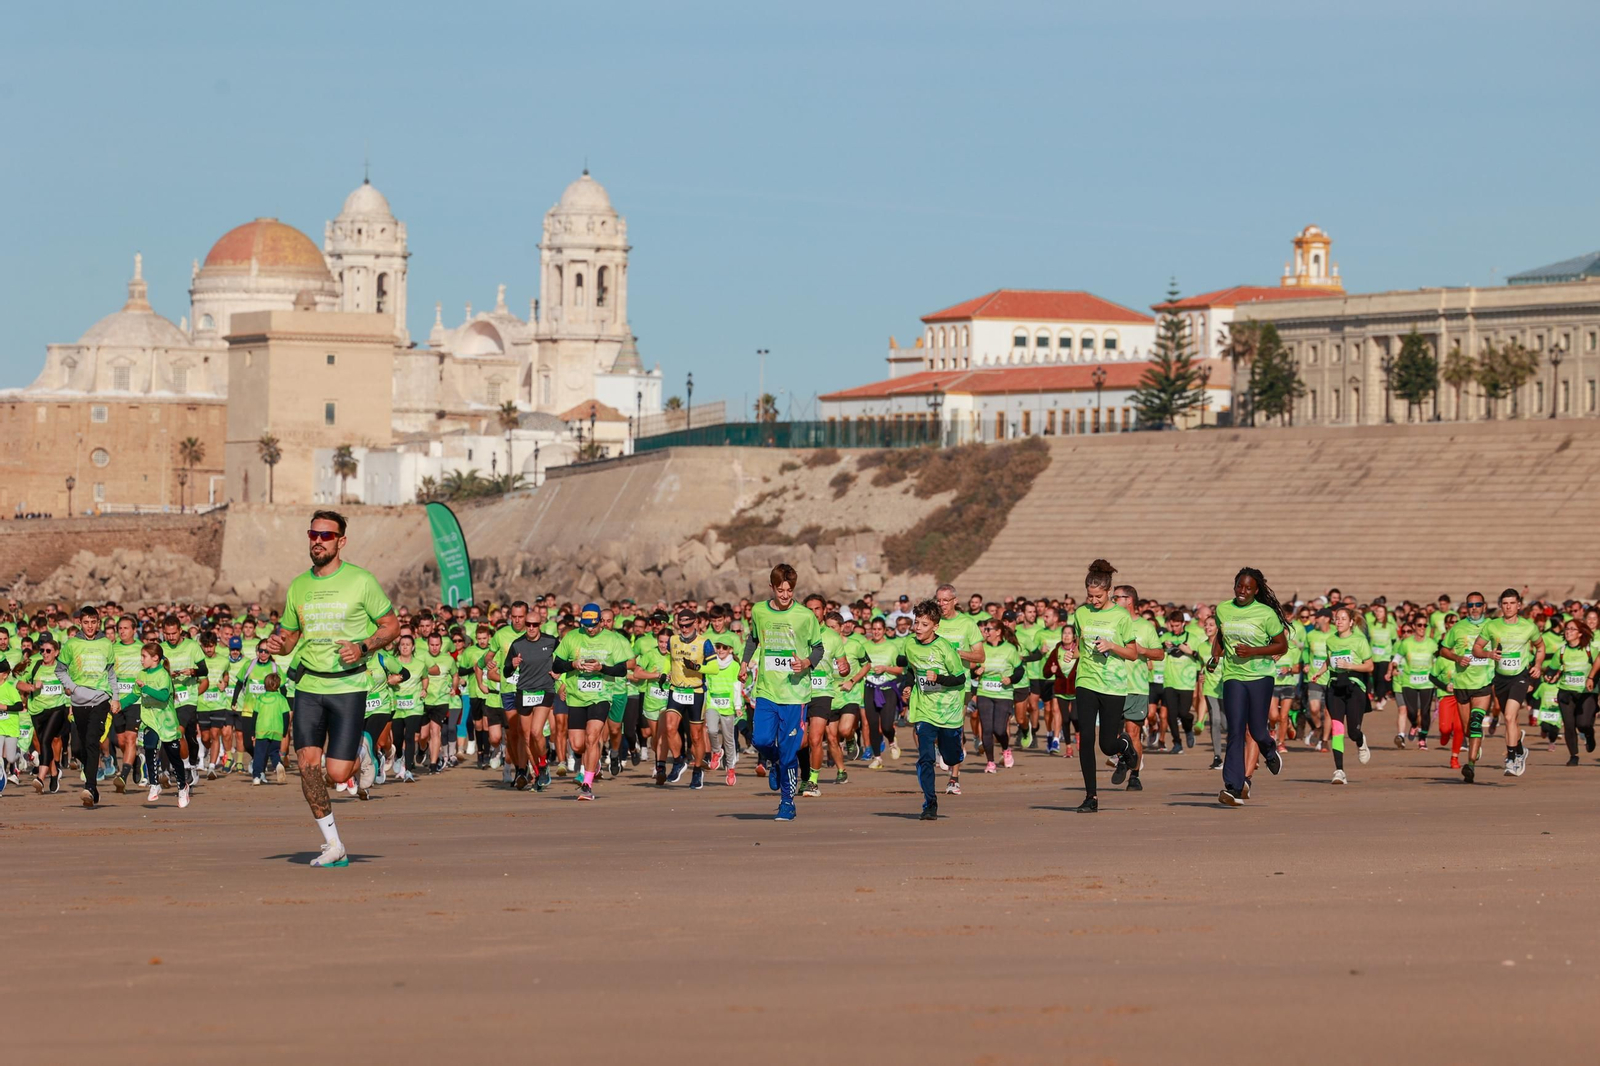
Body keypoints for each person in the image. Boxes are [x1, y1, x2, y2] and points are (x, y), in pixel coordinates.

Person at [261, 510, 400, 868]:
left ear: (341, 541)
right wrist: (278, 644)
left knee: (337, 774)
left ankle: (363, 749)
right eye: (313, 534)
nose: (318, 541)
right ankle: (333, 843)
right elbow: (289, 637)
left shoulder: (361, 581)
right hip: (308, 686)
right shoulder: (298, 586)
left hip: (348, 686)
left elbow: (391, 626)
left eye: (326, 535)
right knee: (308, 766)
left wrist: (363, 647)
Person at [740, 563, 826, 821]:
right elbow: (753, 639)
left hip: (795, 694)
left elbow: (818, 648)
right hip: (767, 690)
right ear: (772, 588)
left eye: (789, 590)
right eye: (780, 590)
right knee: (761, 740)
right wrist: (744, 663)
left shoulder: (805, 616)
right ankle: (775, 762)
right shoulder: (759, 611)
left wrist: (806, 662)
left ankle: (787, 802)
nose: (785, 595)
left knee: (790, 751)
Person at [1068, 560, 1140, 813]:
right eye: (1090, 596)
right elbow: (1081, 646)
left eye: (1098, 596)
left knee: (1107, 745)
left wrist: (1112, 646)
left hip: (1113, 686)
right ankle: (1091, 797)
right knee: (1086, 739)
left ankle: (1124, 746)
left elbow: (1133, 653)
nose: (1093, 600)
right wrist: (1072, 654)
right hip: (1086, 681)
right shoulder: (1081, 613)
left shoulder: (1121, 616)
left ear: (1109, 591)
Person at [1213, 568, 1289, 807]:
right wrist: (1215, 656)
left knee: (1256, 729)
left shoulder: (1265, 613)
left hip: (1260, 676)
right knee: (1235, 730)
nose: (1242, 591)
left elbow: (1282, 646)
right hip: (1233, 675)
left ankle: (1269, 749)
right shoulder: (1223, 609)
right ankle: (1233, 787)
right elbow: (1221, 635)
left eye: (1248, 588)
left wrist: (1253, 651)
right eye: (1239, 586)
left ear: (1256, 591)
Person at [552, 603, 633, 800]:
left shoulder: (612, 639)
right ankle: (593, 762)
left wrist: (601, 668)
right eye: (586, 625)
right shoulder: (572, 637)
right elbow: (556, 664)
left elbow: (622, 669)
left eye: (593, 625)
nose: (589, 629)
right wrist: (573, 664)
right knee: (578, 745)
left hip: (601, 696)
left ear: (600, 622)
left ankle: (587, 785)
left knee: (592, 738)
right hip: (576, 697)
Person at [903, 597, 967, 819]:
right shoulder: (909, 644)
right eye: (916, 623)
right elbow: (910, 670)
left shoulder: (945, 648)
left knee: (951, 757)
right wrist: (907, 686)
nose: (918, 628)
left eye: (924, 624)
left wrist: (939, 678)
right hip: (924, 710)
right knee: (926, 758)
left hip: (949, 712)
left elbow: (960, 679)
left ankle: (954, 753)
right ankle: (930, 803)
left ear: (935, 627)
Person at [1472, 588, 1542, 778]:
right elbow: (1476, 648)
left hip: (1520, 676)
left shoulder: (1529, 627)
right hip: (1500, 678)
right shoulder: (1492, 626)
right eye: (1505, 603)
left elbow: (1540, 647)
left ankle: (1512, 759)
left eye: (1512, 603)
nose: (1508, 607)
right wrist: (1488, 654)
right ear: (1501, 606)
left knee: (1510, 717)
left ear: (1519, 605)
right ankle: (1519, 749)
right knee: (1511, 720)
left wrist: (1537, 664)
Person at [1438, 593, 1495, 785]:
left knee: (1476, 723)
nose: (1474, 608)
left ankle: (1470, 765)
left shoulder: (1493, 626)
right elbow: (1443, 650)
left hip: (1483, 682)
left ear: (1484, 606)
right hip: (1462, 683)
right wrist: (1456, 658)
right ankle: (1475, 744)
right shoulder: (1458, 627)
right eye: (1471, 605)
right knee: (1467, 729)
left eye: (1478, 604)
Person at [1320, 605, 1374, 785]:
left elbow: (1369, 666)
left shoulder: (1359, 640)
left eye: (1343, 619)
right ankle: (1339, 771)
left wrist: (1350, 666)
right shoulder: (1330, 640)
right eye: (1337, 618)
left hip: (1354, 687)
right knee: (1337, 728)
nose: (1339, 622)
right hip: (1335, 687)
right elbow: (1329, 660)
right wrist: (1319, 672)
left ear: (1351, 622)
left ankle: (1360, 740)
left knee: (1352, 732)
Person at [137, 642, 190, 809]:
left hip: (167, 722)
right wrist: (118, 704)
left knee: (174, 756)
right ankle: (154, 784)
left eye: (144, 656)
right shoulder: (141, 673)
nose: (141, 660)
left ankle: (182, 787)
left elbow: (163, 696)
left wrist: (146, 688)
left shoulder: (163, 675)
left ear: (155, 658)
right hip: (150, 719)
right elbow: (134, 695)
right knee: (149, 746)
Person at [974, 616, 1024, 772]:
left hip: (1003, 693)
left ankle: (1006, 749)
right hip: (984, 692)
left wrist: (1011, 679)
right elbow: (972, 670)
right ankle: (990, 762)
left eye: (988, 629)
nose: (985, 632)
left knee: (999, 729)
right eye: (985, 629)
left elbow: (1020, 670)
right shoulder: (981, 648)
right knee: (987, 729)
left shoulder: (1010, 649)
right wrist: (976, 671)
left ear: (998, 632)